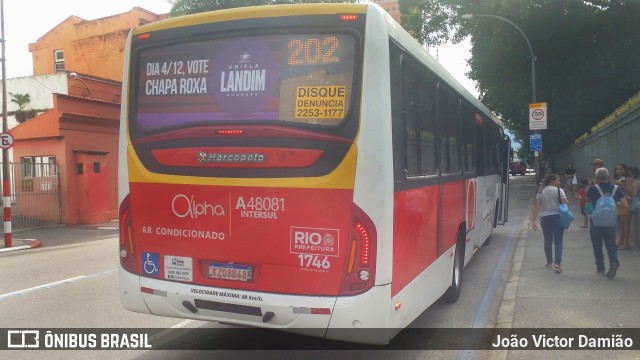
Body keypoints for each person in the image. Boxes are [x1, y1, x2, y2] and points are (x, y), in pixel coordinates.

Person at [587, 167, 628, 278]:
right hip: (610, 222)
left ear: (597, 177)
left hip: (596, 221)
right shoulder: (617, 188)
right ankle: (614, 262)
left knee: (597, 245)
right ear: (608, 176)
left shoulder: (592, 189)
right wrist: (615, 203)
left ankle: (600, 268)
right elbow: (625, 205)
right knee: (611, 244)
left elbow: (588, 205)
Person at [531, 173, 569, 273]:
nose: (559, 182)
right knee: (558, 242)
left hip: (545, 218)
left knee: (547, 240)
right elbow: (565, 202)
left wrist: (533, 221)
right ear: (552, 181)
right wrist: (568, 201)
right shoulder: (559, 190)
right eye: (558, 180)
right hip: (557, 217)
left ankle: (549, 262)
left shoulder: (541, 192)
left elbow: (536, 207)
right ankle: (557, 263)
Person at [613, 163, 631, 250]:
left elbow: (630, 190)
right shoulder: (619, 178)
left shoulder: (627, 179)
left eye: (620, 169)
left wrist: (621, 184)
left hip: (625, 202)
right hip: (619, 202)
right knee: (620, 224)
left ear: (624, 170)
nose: (618, 171)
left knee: (625, 224)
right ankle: (621, 241)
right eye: (617, 169)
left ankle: (626, 243)